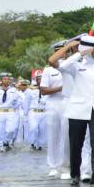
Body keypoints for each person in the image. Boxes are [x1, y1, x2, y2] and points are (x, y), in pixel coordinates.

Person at [49, 35, 94, 187]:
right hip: (78, 109)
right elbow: (53, 61)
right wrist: (76, 49)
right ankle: (75, 174)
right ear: (87, 49)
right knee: (76, 144)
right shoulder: (75, 66)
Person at [40, 40, 70, 178]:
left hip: (68, 102)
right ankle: (53, 165)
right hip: (53, 103)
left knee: (66, 136)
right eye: (61, 52)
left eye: (66, 52)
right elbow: (44, 90)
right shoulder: (48, 70)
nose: (64, 55)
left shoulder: (71, 66)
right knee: (53, 136)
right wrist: (61, 88)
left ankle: (65, 165)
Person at [0, 72, 22, 151]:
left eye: (8, 79)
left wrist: (14, 107)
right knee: (0, 130)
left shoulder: (14, 90)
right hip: (0, 112)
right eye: (5, 79)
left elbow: (19, 101)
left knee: (11, 129)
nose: (7, 81)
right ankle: (0, 145)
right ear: (1, 80)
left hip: (10, 112)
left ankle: (6, 141)